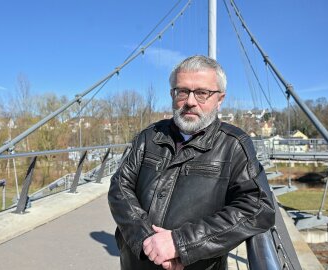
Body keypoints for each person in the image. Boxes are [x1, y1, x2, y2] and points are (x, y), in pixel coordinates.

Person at [108, 55, 275, 270]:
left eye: (202, 93)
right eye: (182, 91)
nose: (190, 101)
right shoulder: (148, 136)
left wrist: (181, 243)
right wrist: (147, 240)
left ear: (220, 98)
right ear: (172, 95)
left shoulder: (234, 145)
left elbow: (258, 207)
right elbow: (119, 188)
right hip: (136, 262)